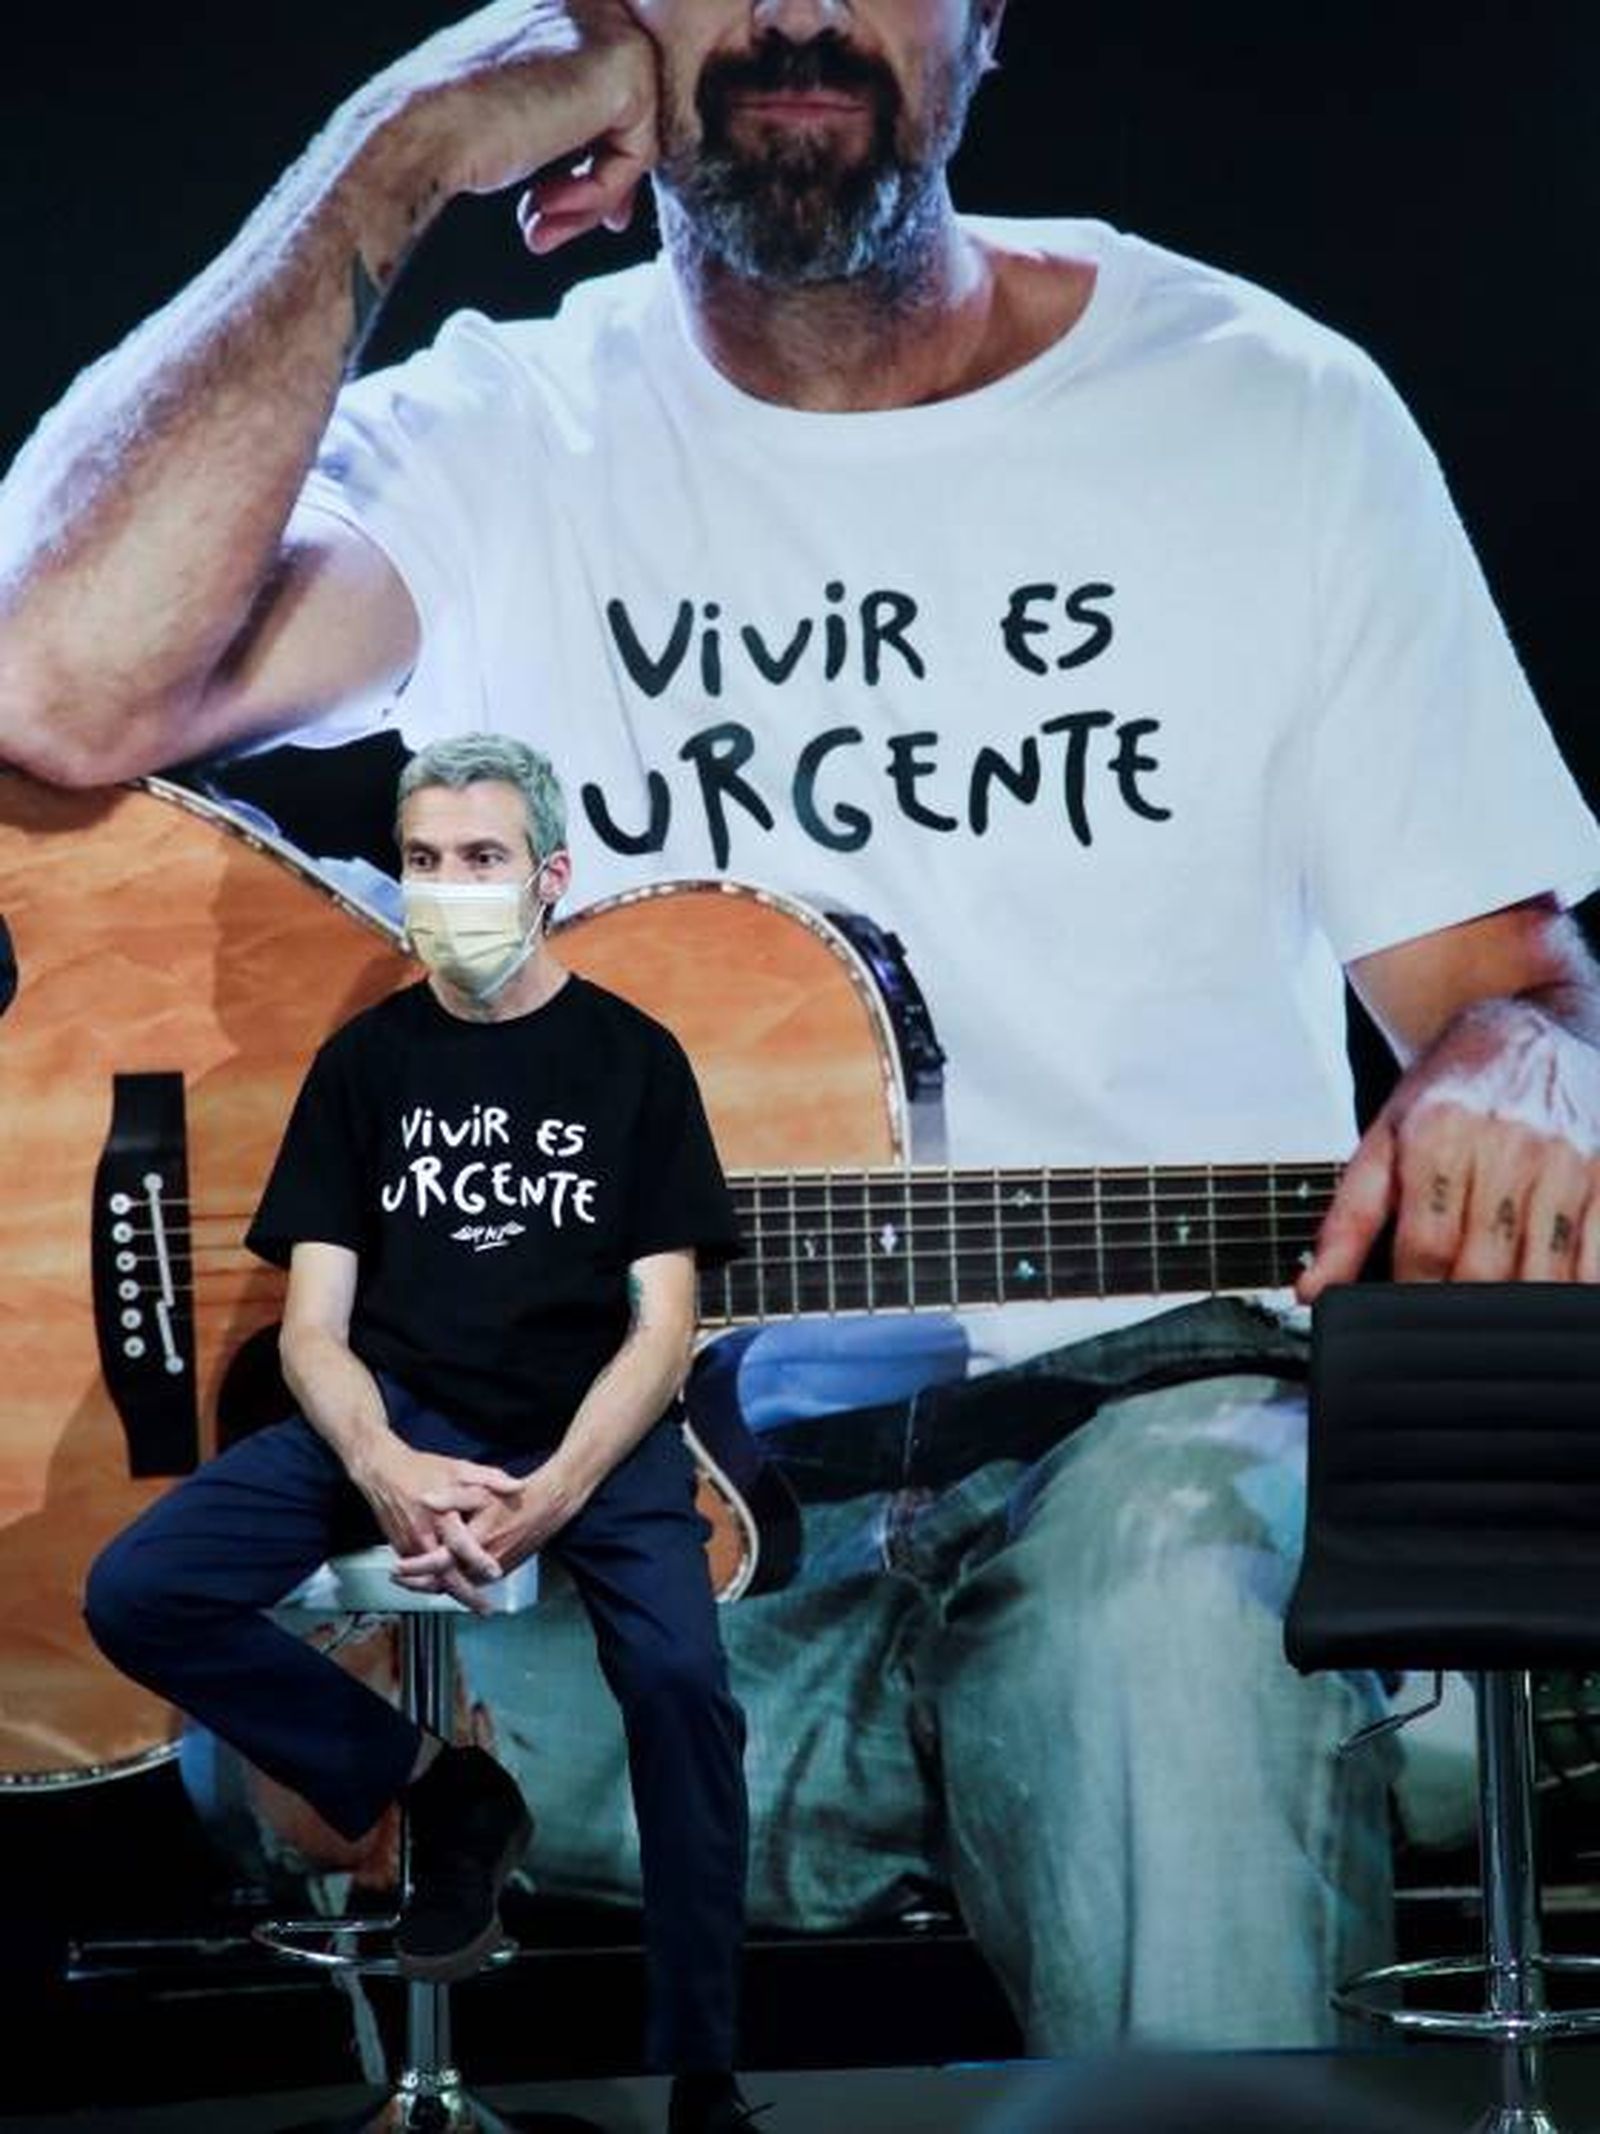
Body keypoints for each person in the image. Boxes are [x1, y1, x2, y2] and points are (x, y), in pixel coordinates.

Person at [5, 0, 1600, 2060]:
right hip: (626, 1556)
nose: (790, 13)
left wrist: (1526, 1054)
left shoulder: (1262, 413)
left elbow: (1514, 996)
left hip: (1142, 1474)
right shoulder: (502, 436)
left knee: (1164, 1593)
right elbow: (50, 685)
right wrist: (403, 149)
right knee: (261, 1660)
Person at [82, 733, 756, 2134]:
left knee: (684, 1688)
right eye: (427, 862)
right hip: (397, 1416)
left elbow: (664, 1321)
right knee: (137, 1588)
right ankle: (436, 1789)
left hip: (592, 1431)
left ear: (549, 876)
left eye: (482, 860)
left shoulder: (637, 1060)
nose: (449, 888)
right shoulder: (363, 1066)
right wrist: (383, 1461)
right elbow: (315, 1328)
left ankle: (703, 2071)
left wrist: (559, 1487)